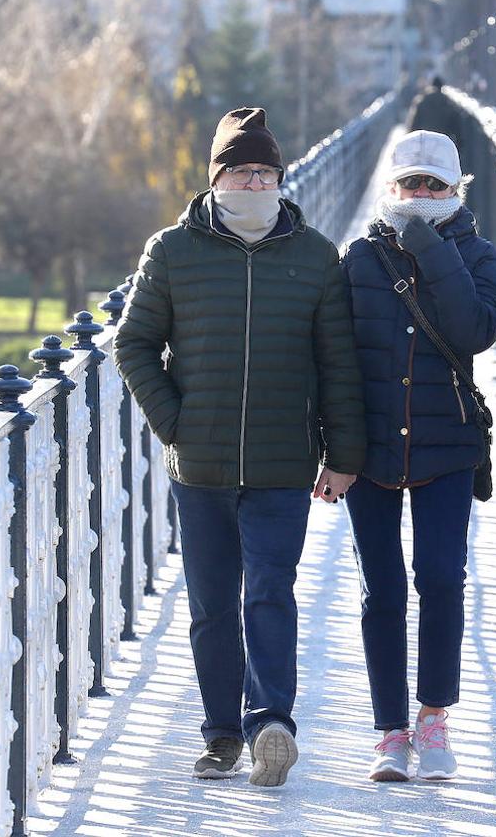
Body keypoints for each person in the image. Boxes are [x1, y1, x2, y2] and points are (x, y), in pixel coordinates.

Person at [114, 107, 366, 788]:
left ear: (281, 180)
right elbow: (133, 343)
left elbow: (338, 364)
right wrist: (176, 422)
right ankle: (221, 734)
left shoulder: (315, 256)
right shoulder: (171, 251)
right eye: (242, 171)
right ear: (216, 177)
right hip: (199, 467)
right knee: (212, 606)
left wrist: (343, 455)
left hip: (285, 464)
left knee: (271, 593)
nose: (255, 183)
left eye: (266, 173)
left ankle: (271, 725)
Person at [339, 129, 496, 782]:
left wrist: (430, 247)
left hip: (448, 443)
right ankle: (390, 733)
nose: (421, 194)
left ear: (456, 191)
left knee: (440, 577)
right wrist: (334, 448)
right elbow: (335, 360)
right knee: (380, 589)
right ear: (392, 187)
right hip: (371, 449)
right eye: (411, 183)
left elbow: (475, 331)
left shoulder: (477, 252)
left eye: (435, 185)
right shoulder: (357, 259)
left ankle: (434, 720)